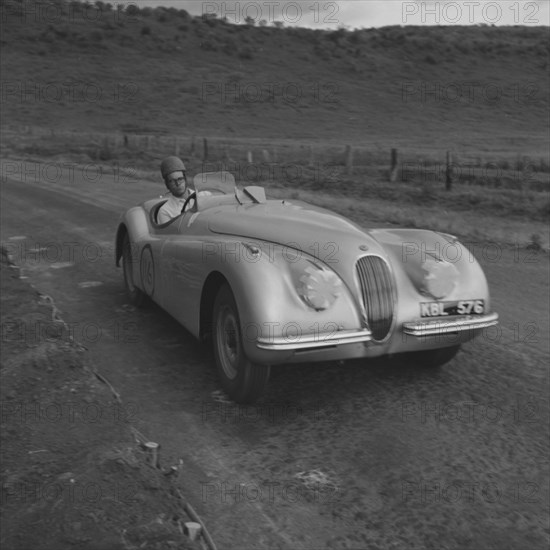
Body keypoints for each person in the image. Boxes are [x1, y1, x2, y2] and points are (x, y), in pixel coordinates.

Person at [157, 156, 194, 224]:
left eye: (180, 179)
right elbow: (170, 234)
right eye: (172, 181)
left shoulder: (203, 196)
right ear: (167, 184)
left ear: (185, 179)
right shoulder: (165, 211)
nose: (178, 184)